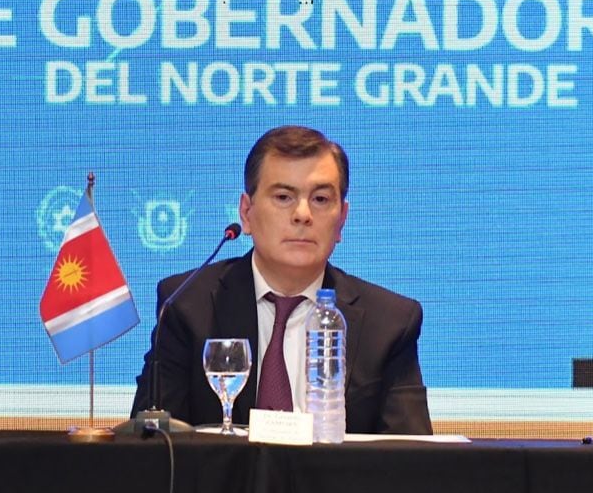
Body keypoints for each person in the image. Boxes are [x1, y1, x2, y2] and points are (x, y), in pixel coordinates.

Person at [132, 125, 430, 434]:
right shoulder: (187, 306)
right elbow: (152, 447)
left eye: (321, 199)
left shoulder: (389, 323)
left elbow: (412, 463)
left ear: (342, 219)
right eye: (284, 196)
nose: (303, 214)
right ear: (246, 213)